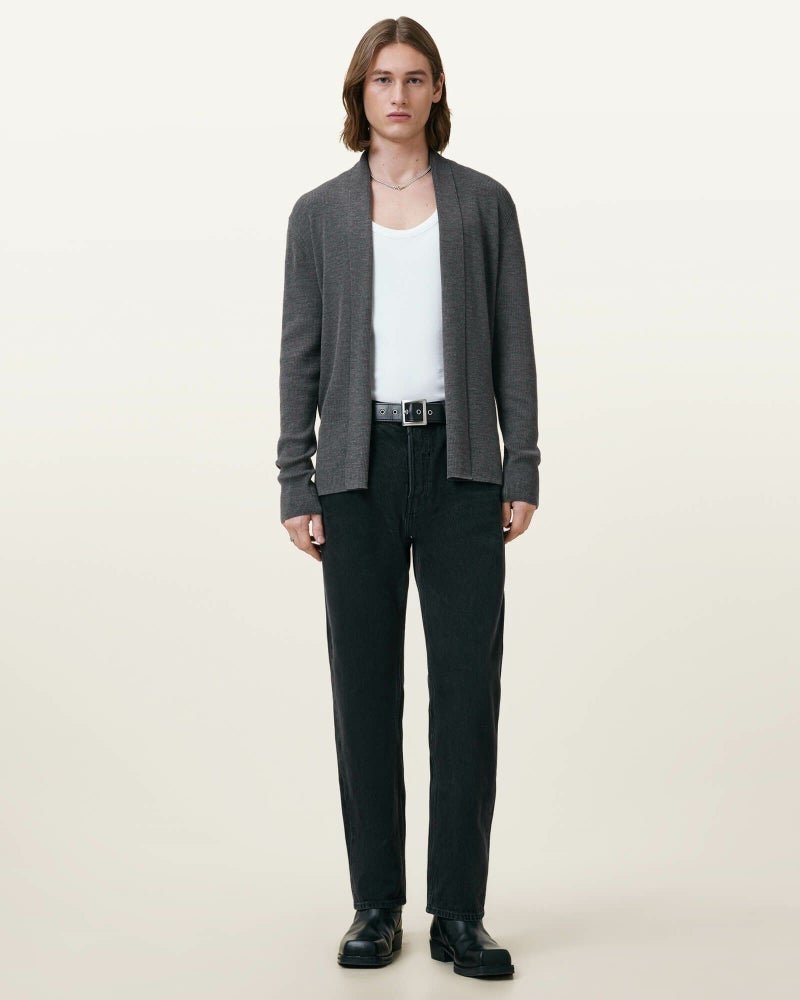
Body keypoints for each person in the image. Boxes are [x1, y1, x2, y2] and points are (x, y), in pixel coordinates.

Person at [276, 16, 540, 979]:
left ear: (437, 92)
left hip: (464, 469)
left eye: (416, 77)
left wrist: (521, 467)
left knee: (467, 693)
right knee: (365, 692)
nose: (399, 94)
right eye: (383, 78)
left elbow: (513, 340)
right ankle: (376, 906)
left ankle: (460, 913)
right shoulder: (319, 214)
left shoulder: (483, 205)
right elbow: (299, 352)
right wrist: (295, 477)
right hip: (357, 471)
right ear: (361, 93)